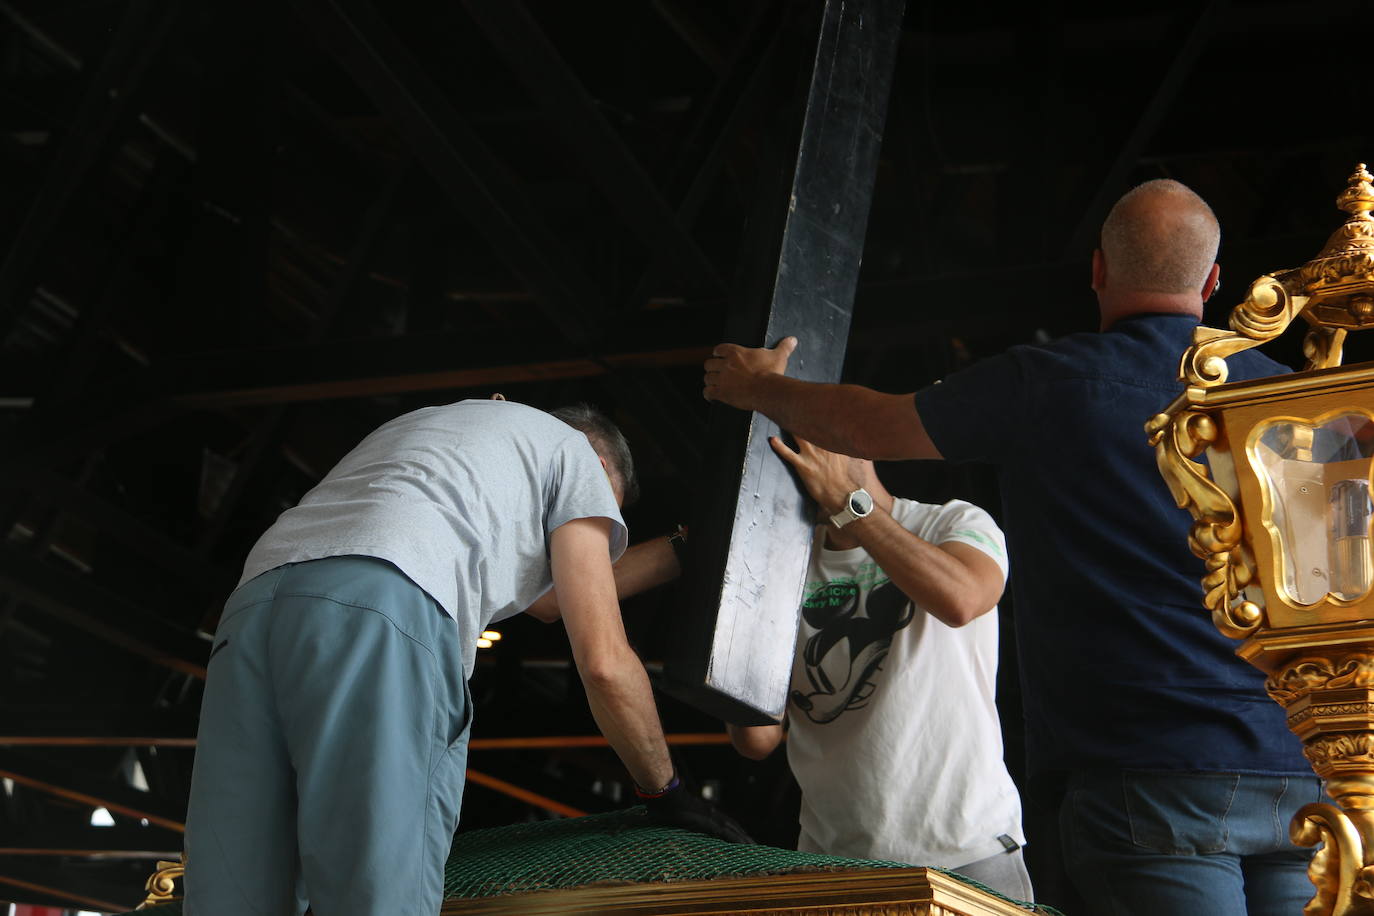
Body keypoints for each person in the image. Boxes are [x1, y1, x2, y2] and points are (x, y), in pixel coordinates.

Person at [702, 179, 1322, 915]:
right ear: (1215, 280)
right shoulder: (1295, 404)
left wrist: (759, 391)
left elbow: (870, 428)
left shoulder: (1053, 383)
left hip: (1150, 772)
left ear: (1096, 270)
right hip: (1300, 770)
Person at [183, 398, 749, 916]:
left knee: (233, 893)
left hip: (254, 608)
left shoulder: (439, 427)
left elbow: (548, 602)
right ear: (604, 472)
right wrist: (665, 789)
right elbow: (602, 657)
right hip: (387, 608)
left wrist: (683, 550)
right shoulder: (577, 458)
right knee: (378, 890)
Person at [727, 436, 1031, 899]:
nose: (802, 458)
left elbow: (963, 598)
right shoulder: (783, 563)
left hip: (968, 849)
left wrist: (852, 507)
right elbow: (758, 739)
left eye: (815, 439)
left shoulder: (951, 521)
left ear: (858, 440)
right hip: (835, 864)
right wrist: (731, 616)